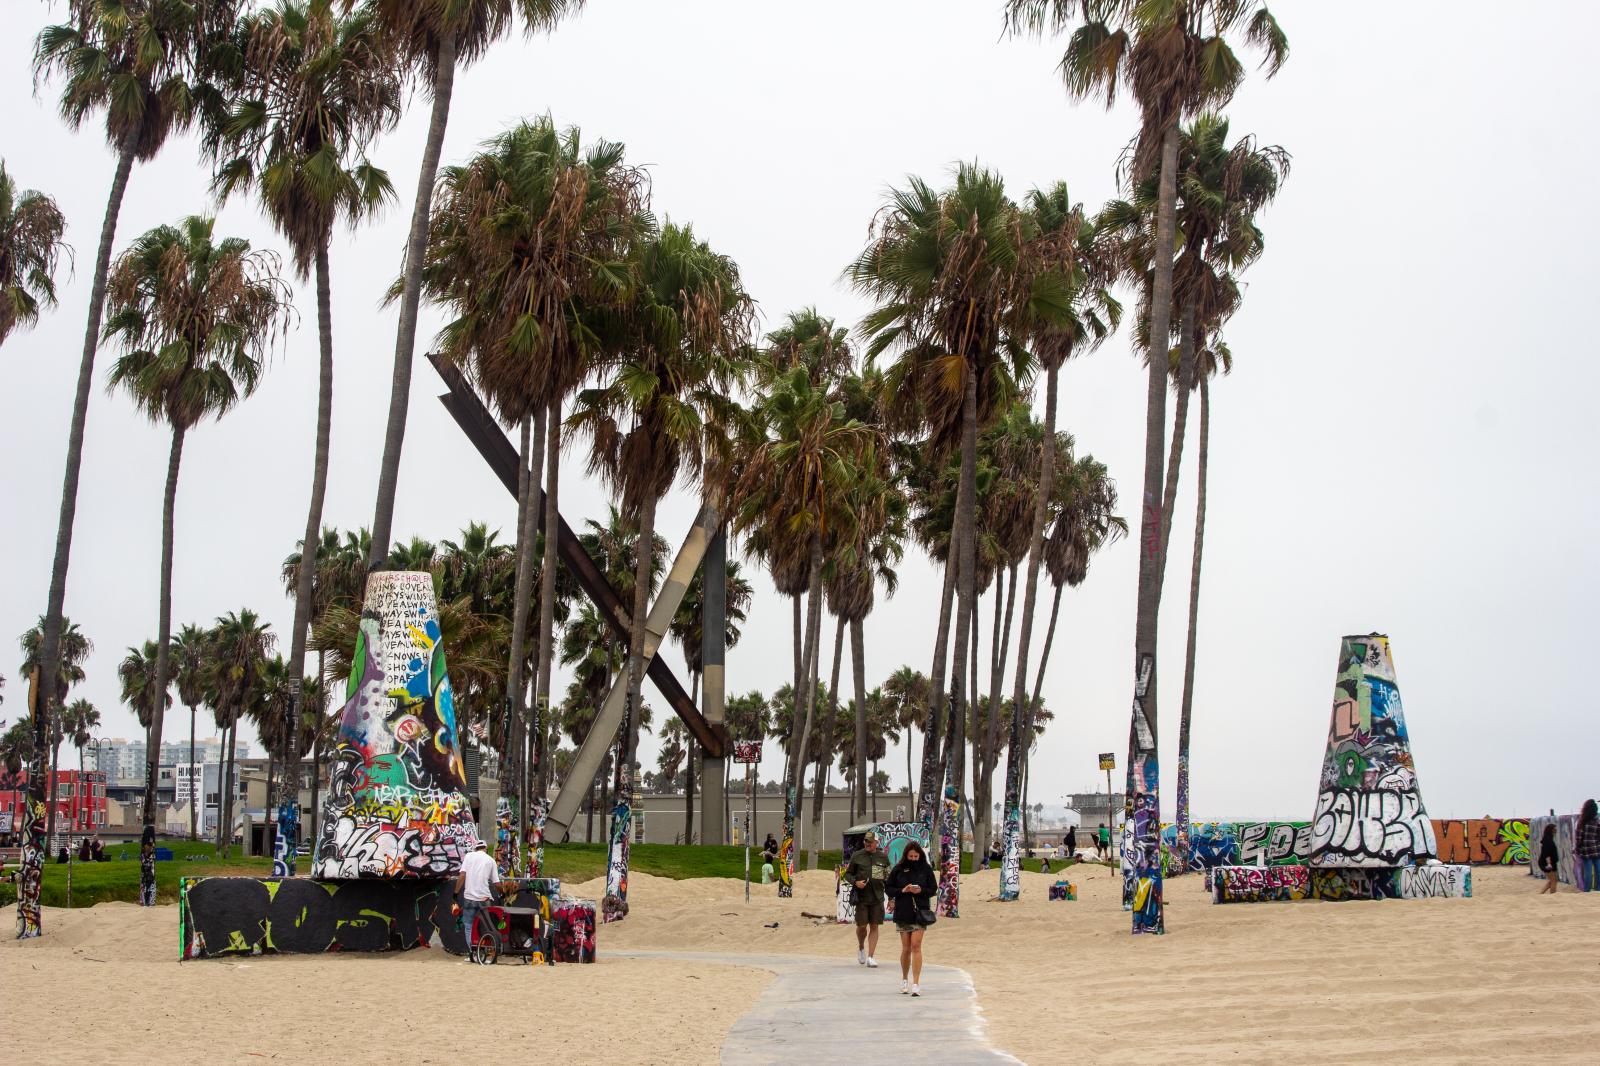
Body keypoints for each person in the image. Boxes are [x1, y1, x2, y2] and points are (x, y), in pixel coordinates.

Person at [887, 842, 938, 996]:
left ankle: (916, 983)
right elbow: (888, 887)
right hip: (903, 911)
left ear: (920, 855)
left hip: (920, 911)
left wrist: (921, 890)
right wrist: (902, 890)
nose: (914, 859)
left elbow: (933, 889)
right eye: (911, 856)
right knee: (906, 948)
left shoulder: (926, 868)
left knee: (916, 945)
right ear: (906, 855)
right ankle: (904, 978)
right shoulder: (899, 868)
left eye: (916, 856)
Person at [843, 831, 889, 967]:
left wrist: (892, 897)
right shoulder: (857, 856)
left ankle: (871, 956)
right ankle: (861, 947)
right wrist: (855, 882)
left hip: (877, 897)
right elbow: (848, 874)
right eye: (866, 841)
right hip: (862, 898)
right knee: (862, 926)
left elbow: (887, 878)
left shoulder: (883, 857)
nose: (867, 844)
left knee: (874, 926)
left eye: (870, 842)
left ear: (876, 843)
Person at [454, 839, 500, 947]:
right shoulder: (490, 860)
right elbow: (496, 883)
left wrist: (455, 893)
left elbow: (462, 876)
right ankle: (485, 950)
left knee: (469, 926)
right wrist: (502, 894)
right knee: (485, 925)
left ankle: (472, 952)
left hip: (469, 898)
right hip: (484, 898)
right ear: (486, 849)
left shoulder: (469, 856)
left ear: (475, 848)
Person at [1576, 799, 1600, 892]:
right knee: (1598, 871)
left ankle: (1587, 890)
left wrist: (1578, 848)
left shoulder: (1582, 822)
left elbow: (1579, 837)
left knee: (1588, 872)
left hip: (1585, 850)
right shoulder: (1597, 821)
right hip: (1597, 849)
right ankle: (1598, 889)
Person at [1538, 822, 1561, 894]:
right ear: (1551, 830)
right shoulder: (1548, 840)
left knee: (1552, 880)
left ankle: (1541, 893)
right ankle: (1553, 894)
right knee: (1554, 880)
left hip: (1551, 862)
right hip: (1548, 863)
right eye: (1554, 829)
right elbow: (1546, 853)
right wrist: (1549, 864)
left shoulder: (1548, 839)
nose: (1556, 830)